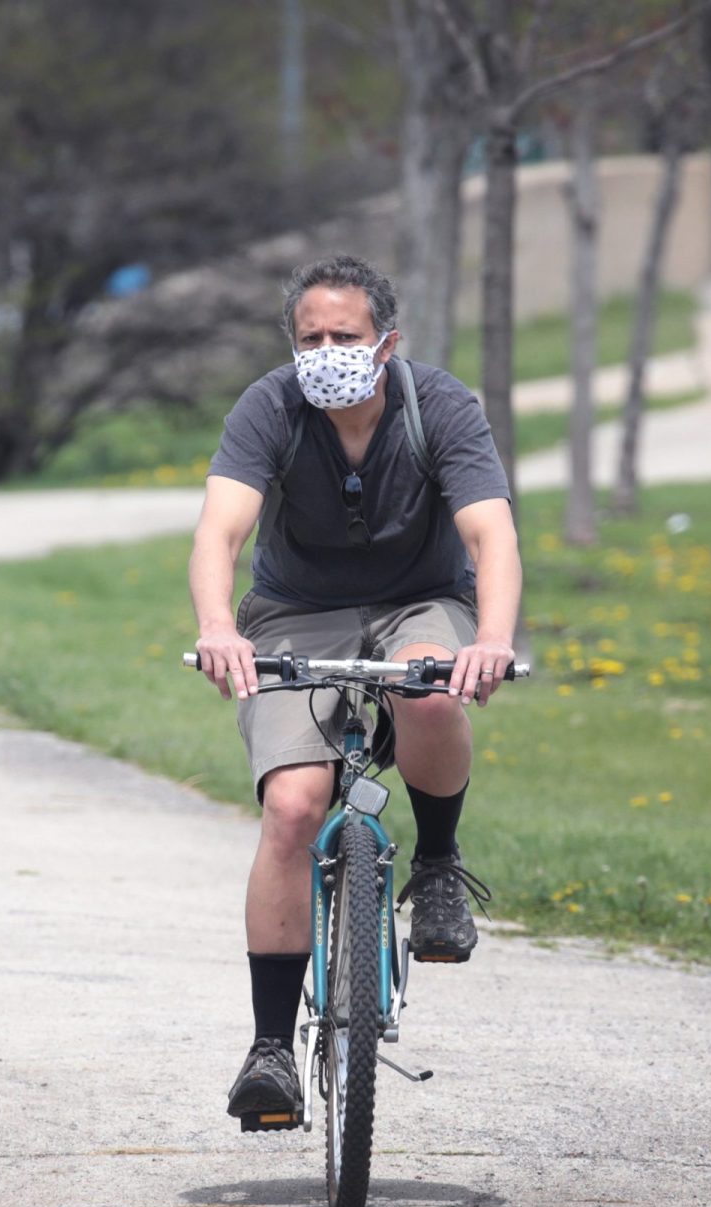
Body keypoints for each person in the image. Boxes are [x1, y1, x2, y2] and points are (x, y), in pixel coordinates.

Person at [188, 255, 522, 1123]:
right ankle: (270, 1050)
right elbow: (221, 531)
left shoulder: (439, 405)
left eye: (346, 335)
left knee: (431, 692)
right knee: (294, 810)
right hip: (295, 613)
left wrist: (489, 639)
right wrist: (219, 626)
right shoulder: (270, 407)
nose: (327, 351)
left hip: (421, 602)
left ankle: (440, 866)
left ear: (386, 342)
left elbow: (491, 537)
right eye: (311, 337)